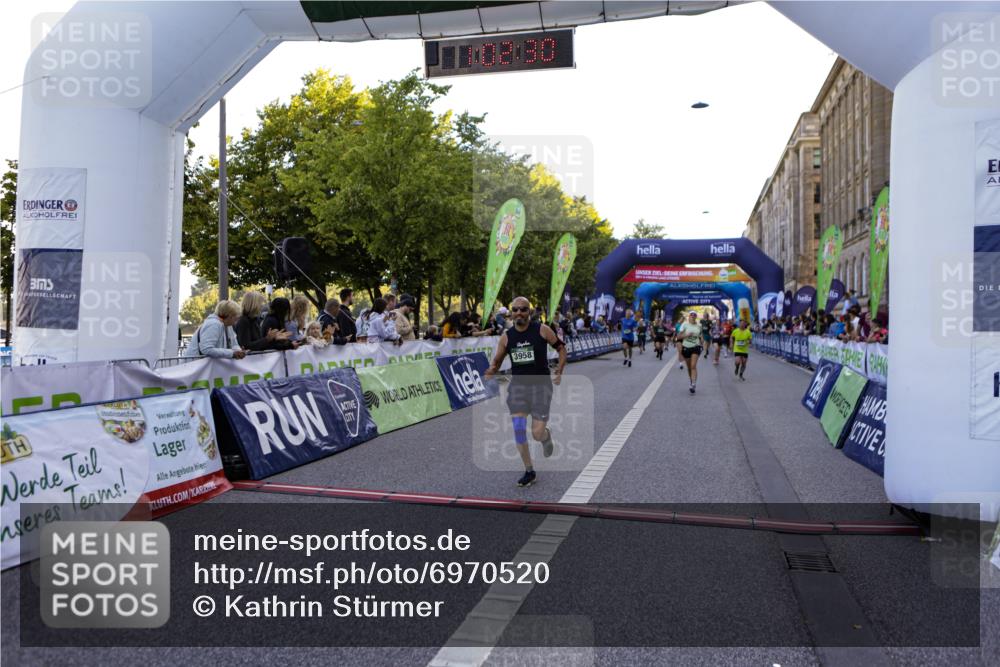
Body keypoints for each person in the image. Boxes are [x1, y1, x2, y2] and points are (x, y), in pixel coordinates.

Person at [484, 296, 566, 488]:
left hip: (541, 387)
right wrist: (491, 370)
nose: (519, 313)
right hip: (518, 389)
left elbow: (561, 348)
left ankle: (545, 436)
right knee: (519, 431)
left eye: (523, 309)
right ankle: (529, 471)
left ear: (529, 312)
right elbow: (497, 360)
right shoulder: (507, 337)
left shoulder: (542, 330)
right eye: (515, 310)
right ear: (511, 313)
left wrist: (560, 370)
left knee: (536, 434)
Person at [678, 311, 703, 393]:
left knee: (693, 366)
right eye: (691, 316)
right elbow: (679, 336)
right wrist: (686, 335)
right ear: (689, 317)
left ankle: (693, 384)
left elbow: (700, 336)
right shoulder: (684, 324)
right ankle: (691, 381)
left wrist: (702, 344)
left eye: (694, 316)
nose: (692, 317)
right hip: (686, 347)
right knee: (689, 367)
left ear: (696, 317)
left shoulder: (699, 325)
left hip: (696, 346)